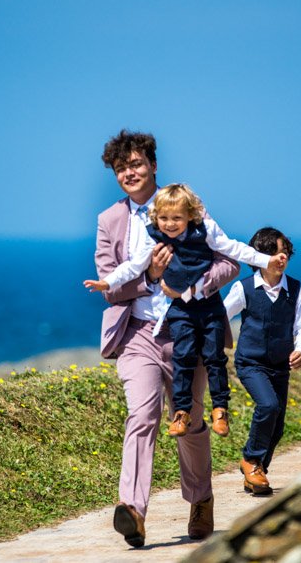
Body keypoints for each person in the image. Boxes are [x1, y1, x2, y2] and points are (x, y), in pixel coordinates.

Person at [90, 130, 240, 548]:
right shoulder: (109, 221)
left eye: (136, 164)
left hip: (187, 331)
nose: (129, 173)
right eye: (121, 168)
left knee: (190, 422)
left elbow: (229, 262)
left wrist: (195, 287)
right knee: (141, 414)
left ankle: (200, 499)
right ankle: (133, 510)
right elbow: (109, 285)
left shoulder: (186, 209)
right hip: (137, 334)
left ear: (153, 165)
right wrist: (150, 278)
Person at [86, 183, 286, 440]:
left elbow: (234, 249)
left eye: (177, 218)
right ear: (156, 217)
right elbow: (134, 266)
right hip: (180, 309)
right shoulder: (154, 236)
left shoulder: (206, 230)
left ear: (190, 215)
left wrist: (265, 260)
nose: (170, 224)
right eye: (164, 218)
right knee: (182, 357)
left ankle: (220, 409)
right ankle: (181, 412)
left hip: (208, 305)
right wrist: (108, 282)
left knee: (214, 358)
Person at [223, 227, 301, 496]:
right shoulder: (244, 288)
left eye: (285, 251)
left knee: (278, 424)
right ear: (260, 257)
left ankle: (257, 473)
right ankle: (251, 460)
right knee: (268, 405)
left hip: (280, 366)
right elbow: (220, 317)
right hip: (251, 363)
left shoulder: (294, 289)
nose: (281, 256)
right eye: (274, 251)